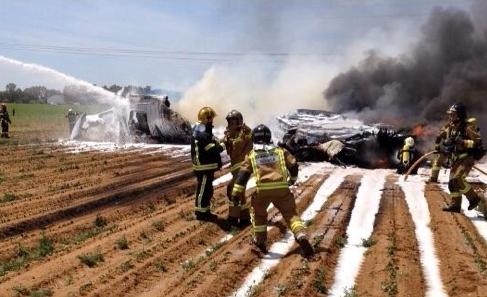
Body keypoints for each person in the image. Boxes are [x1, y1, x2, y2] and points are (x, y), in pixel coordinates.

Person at [231, 124, 314, 257]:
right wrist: (292, 180)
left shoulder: (252, 155)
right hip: (282, 189)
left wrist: (235, 194)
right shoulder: (280, 151)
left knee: (259, 215)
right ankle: (300, 234)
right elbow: (293, 166)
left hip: (262, 191)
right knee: (291, 215)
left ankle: (260, 241)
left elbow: (242, 176)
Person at [437, 103, 485, 212]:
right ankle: (455, 205)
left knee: (458, 179)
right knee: (452, 183)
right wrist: (445, 146)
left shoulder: (468, 127)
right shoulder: (452, 127)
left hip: (466, 158)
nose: (450, 117)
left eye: (453, 114)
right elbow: (450, 142)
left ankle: (474, 198)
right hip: (456, 159)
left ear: (459, 115)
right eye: (450, 114)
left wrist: (462, 142)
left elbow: (477, 143)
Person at [191, 106, 224, 221]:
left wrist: (220, 141)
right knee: (204, 190)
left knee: (207, 190)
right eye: (211, 119)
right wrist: (222, 146)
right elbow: (212, 149)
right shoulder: (202, 133)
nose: (212, 121)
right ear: (207, 119)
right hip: (203, 167)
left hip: (206, 166)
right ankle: (200, 213)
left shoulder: (201, 130)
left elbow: (212, 140)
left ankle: (205, 211)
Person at [222, 110, 253, 227]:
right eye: (229, 122)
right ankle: (245, 219)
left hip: (243, 169)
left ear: (239, 122)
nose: (229, 125)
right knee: (241, 194)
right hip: (237, 170)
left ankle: (233, 219)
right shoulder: (232, 135)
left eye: (232, 122)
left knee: (232, 190)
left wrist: (229, 139)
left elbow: (239, 145)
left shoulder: (245, 133)